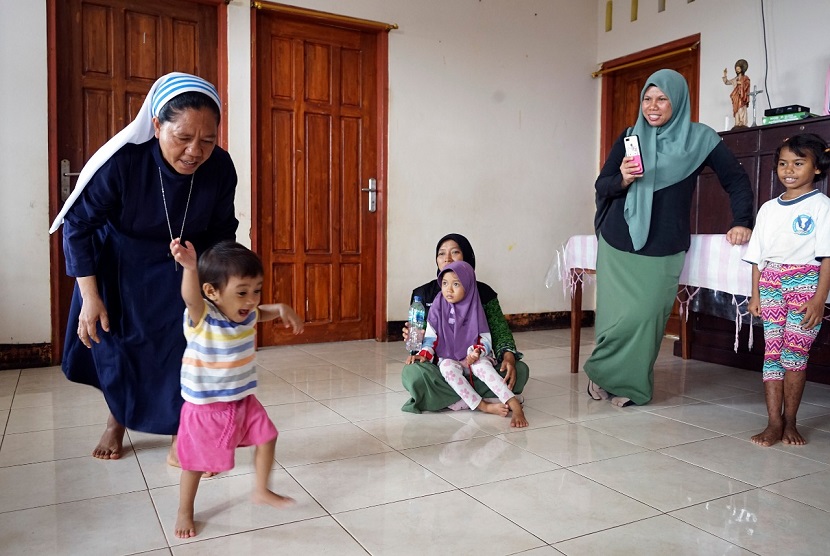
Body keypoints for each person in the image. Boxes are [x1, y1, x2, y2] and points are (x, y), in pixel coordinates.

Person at [49, 73, 239, 463]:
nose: (194, 152)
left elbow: (222, 231)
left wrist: (223, 287)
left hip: (185, 265)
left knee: (181, 348)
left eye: (207, 140)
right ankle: (116, 420)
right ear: (156, 126)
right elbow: (79, 226)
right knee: (120, 345)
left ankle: (178, 428)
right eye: (182, 137)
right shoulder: (123, 162)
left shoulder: (220, 168)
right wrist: (89, 296)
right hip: (120, 264)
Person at [586, 68, 754, 407]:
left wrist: (742, 221)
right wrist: (622, 179)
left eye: (662, 98)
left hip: (664, 243)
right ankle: (604, 377)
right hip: (619, 240)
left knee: (646, 317)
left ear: (677, 101)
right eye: (647, 99)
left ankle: (629, 384)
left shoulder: (701, 140)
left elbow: (736, 180)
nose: (653, 106)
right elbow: (602, 186)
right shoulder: (630, 136)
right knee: (614, 319)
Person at [170, 239, 303, 538]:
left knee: (268, 437)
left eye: (257, 290)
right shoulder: (203, 317)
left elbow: (262, 312)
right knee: (194, 463)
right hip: (205, 407)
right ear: (212, 292)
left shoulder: (247, 313)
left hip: (242, 399)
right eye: (242, 292)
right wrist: (190, 268)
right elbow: (190, 298)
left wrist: (281, 308)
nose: (251, 300)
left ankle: (261, 490)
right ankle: (185, 510)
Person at [743, 134, 830, 447]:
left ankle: (791, 421)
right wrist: (755, 295)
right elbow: (757, 256)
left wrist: (820, 299)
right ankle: (773, 422)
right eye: (782, 163)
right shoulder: (768, 209)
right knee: (772, 354)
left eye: (798, 162)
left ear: (817, 168)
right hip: (770, 283)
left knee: (795, 356)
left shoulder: (822, 207)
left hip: (806, 284)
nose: (788, 169)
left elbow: (827, 257)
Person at [401, 233, 530, 413]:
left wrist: (508, 355)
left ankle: (448, 400)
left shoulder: (483, 293)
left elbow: (499, 332)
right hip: (441, 365)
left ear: (467, 258)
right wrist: (415, 340)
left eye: (454, 252)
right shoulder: (423, 294)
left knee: (520, 370)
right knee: (413, 375)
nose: (447, 258)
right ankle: (487, 398)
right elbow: (423, 342)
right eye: (441, 253)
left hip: (475, 363)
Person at [723, 59, 750, 128]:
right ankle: (737, 122)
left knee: (741, 109)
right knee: (736, 110)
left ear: (742, 69)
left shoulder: (745, 78)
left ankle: (742, 122)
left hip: (742, 96)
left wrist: (741, 84)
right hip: (736, 97)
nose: (737, 70)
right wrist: (725, 75)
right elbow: (727, 82)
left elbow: (747, 85)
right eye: (736, 69)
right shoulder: (735, 79)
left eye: (738, 69)